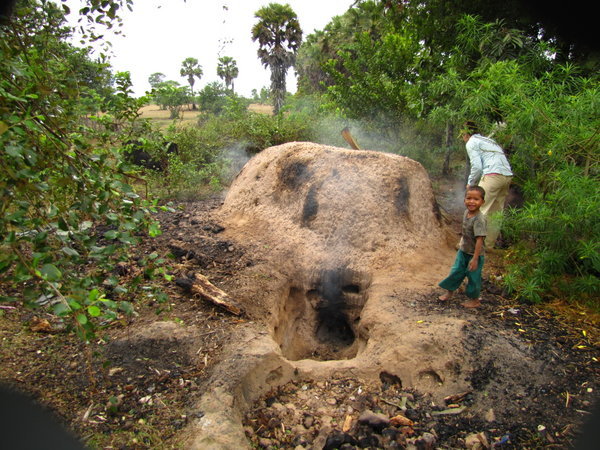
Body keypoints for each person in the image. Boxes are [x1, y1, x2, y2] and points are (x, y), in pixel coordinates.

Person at [462, 121, 513, 247]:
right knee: (495, 213)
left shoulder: (472, 142)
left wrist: (470, 183)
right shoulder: (489, 141)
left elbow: (477, 167)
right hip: (507, 176)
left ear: (465, 133)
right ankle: (488, 246)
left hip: (492, 175)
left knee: (477, 209)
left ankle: (467, 244)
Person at [438, 185, 487, 308]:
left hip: (475, 254)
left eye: (476, 199)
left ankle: (475, 300)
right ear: (464, 200)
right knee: (456, 271)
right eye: (469, 198)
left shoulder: (479, 220)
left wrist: (475, 258)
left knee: (473, 277)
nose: (471, 202)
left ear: (483, 202)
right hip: (463, 250)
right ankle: (449, 292)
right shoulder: (466, 213)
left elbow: (480, 239)